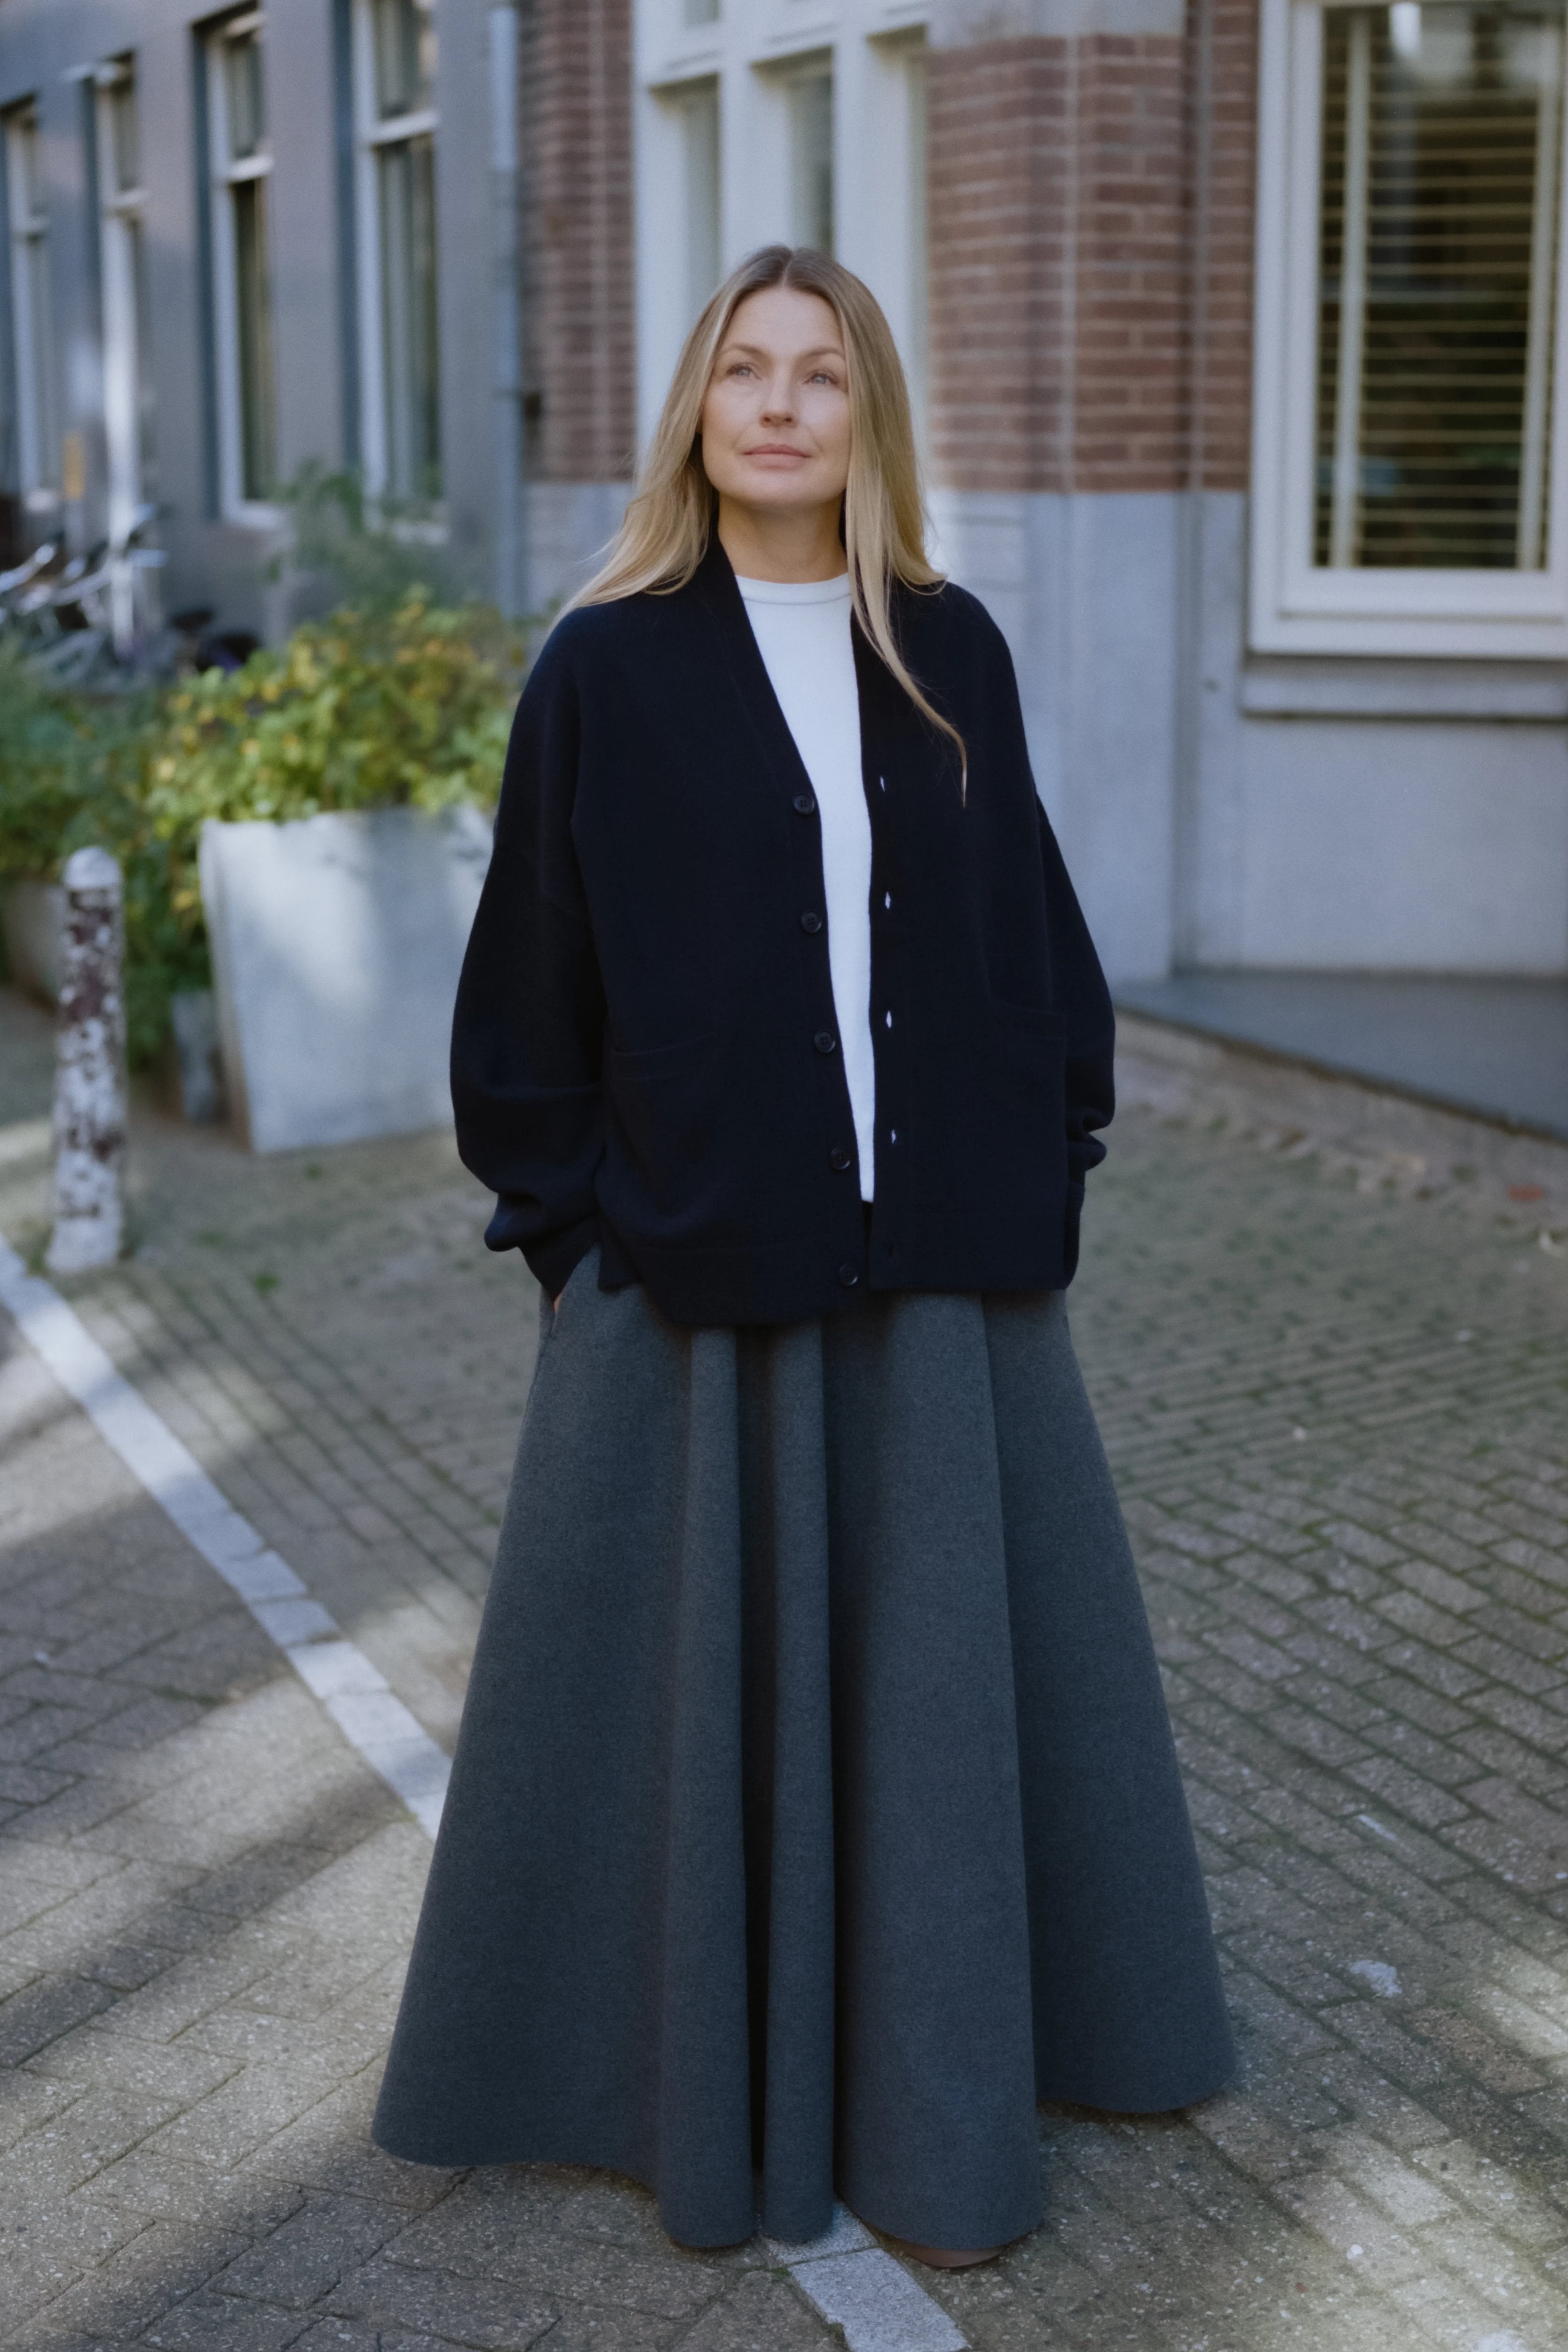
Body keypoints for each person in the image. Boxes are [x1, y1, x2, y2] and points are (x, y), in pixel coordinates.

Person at [373, 243, 1234, 2269]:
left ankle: (937, 2102)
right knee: (697, 1723)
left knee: (932, 1708)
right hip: (694, 1273)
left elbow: (1028, 928)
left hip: (940, 1281)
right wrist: (577, 1233)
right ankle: (697, 2087)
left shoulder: (948, 643)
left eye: (819, 376)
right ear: (695, 406)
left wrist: (1055, 1142)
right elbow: (528, 993)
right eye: (743, 369)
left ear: (870, 418)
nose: (777, 404)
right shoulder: (605, 663)